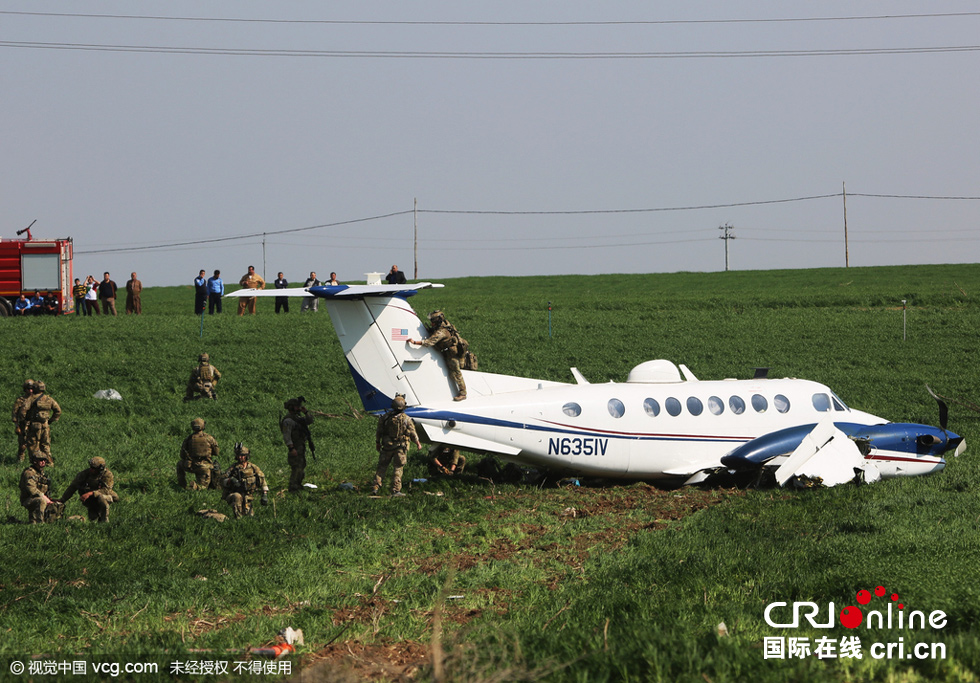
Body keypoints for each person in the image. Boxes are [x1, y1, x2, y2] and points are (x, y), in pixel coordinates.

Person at [408, 310, 468, 401]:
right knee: (453, 372)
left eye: (433, 321)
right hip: (448, 351)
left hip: (451, 354)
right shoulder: (445, 324)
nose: (431, 323)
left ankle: (463, 393)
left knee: (456, 372)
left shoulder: (441, 332)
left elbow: (429, 342)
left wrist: (414, 342)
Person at [373, 395, 421, 496]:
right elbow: (413, 432)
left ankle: (376, 486)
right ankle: (395, 490)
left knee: (382, 466)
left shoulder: (385, 417)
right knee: (398, 468)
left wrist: (378, 442)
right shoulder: (406, 419)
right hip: (400, 447)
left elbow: (379, 431)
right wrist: (417, 443)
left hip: (387, 446)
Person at [60, 456, 118, 523]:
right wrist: (62, 500)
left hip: (105, 496)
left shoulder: (107, 475)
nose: (91, 470)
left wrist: (91, 493)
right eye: (91, 467)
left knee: (101, 498)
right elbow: (73, 487)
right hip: (90, 499)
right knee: (93, 520)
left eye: (94, 468)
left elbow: (106, 490)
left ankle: (104, 521)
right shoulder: (84, 474)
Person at [17, 380, 61, 464]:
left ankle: (34, 463)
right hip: (45, 425)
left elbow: (23, 411)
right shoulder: (49, 399)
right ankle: (49, 463)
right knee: (45, 445)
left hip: (34, 426)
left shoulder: (31, 398)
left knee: (33, 445)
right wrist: (50, 421)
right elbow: (58, 411)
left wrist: (24, 421)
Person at [222, 443, 269, 518]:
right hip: (235, 494)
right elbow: (222, 480)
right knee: (237, 497)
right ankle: (237, 518)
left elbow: (262, 480)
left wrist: (264, 494)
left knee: (249, 516)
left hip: (248, 496)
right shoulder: (233, 468)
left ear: (246, 456)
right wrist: (231, 480)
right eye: (239, 455)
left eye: (242, 455)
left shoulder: (253, 468)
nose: (240, 457)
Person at [280, 397, 314, 492]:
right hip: (295, 446)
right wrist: (291, 448)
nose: (299, 408)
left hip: (300, 445)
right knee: (296, 467)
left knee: (301, 465)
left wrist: (306, 412)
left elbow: (310, 421)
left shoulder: (298, 418)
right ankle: (293, 486)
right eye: (297, 406)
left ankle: (298, 484)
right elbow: (287, 436)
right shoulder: (288, 420)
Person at [177, 418, 221, 490]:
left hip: (191, 465)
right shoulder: (209, 438)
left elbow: (182, 455)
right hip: (204, 466)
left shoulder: (188, 439)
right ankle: (195, 487)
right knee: (203, 487)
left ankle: (182, 485)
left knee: (179, 464)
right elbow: (216, 452)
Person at [20, 452, 62, 524]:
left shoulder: (41, 473)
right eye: (40, 460)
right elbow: (31, 489)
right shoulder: (29, 473)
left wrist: (50, 499)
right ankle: (40, 523)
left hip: (39, 497)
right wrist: (44, 498)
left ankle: (51, 522)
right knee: (41, 501)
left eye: (44, 460)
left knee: (58, 504)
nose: (43, 462)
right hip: (28, 499)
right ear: (34, 461)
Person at [12, 379, 35, 462]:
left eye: (32, 389)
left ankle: (33, 460)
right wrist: (16, 426)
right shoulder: (20, 400)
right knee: (22, 445)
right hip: (23, 424)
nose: (30, 391)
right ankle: (20, 460)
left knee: (34, 444)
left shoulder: (36, 400)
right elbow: (15, 413)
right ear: (25, 389)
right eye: (28, 389)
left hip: (33, 424)